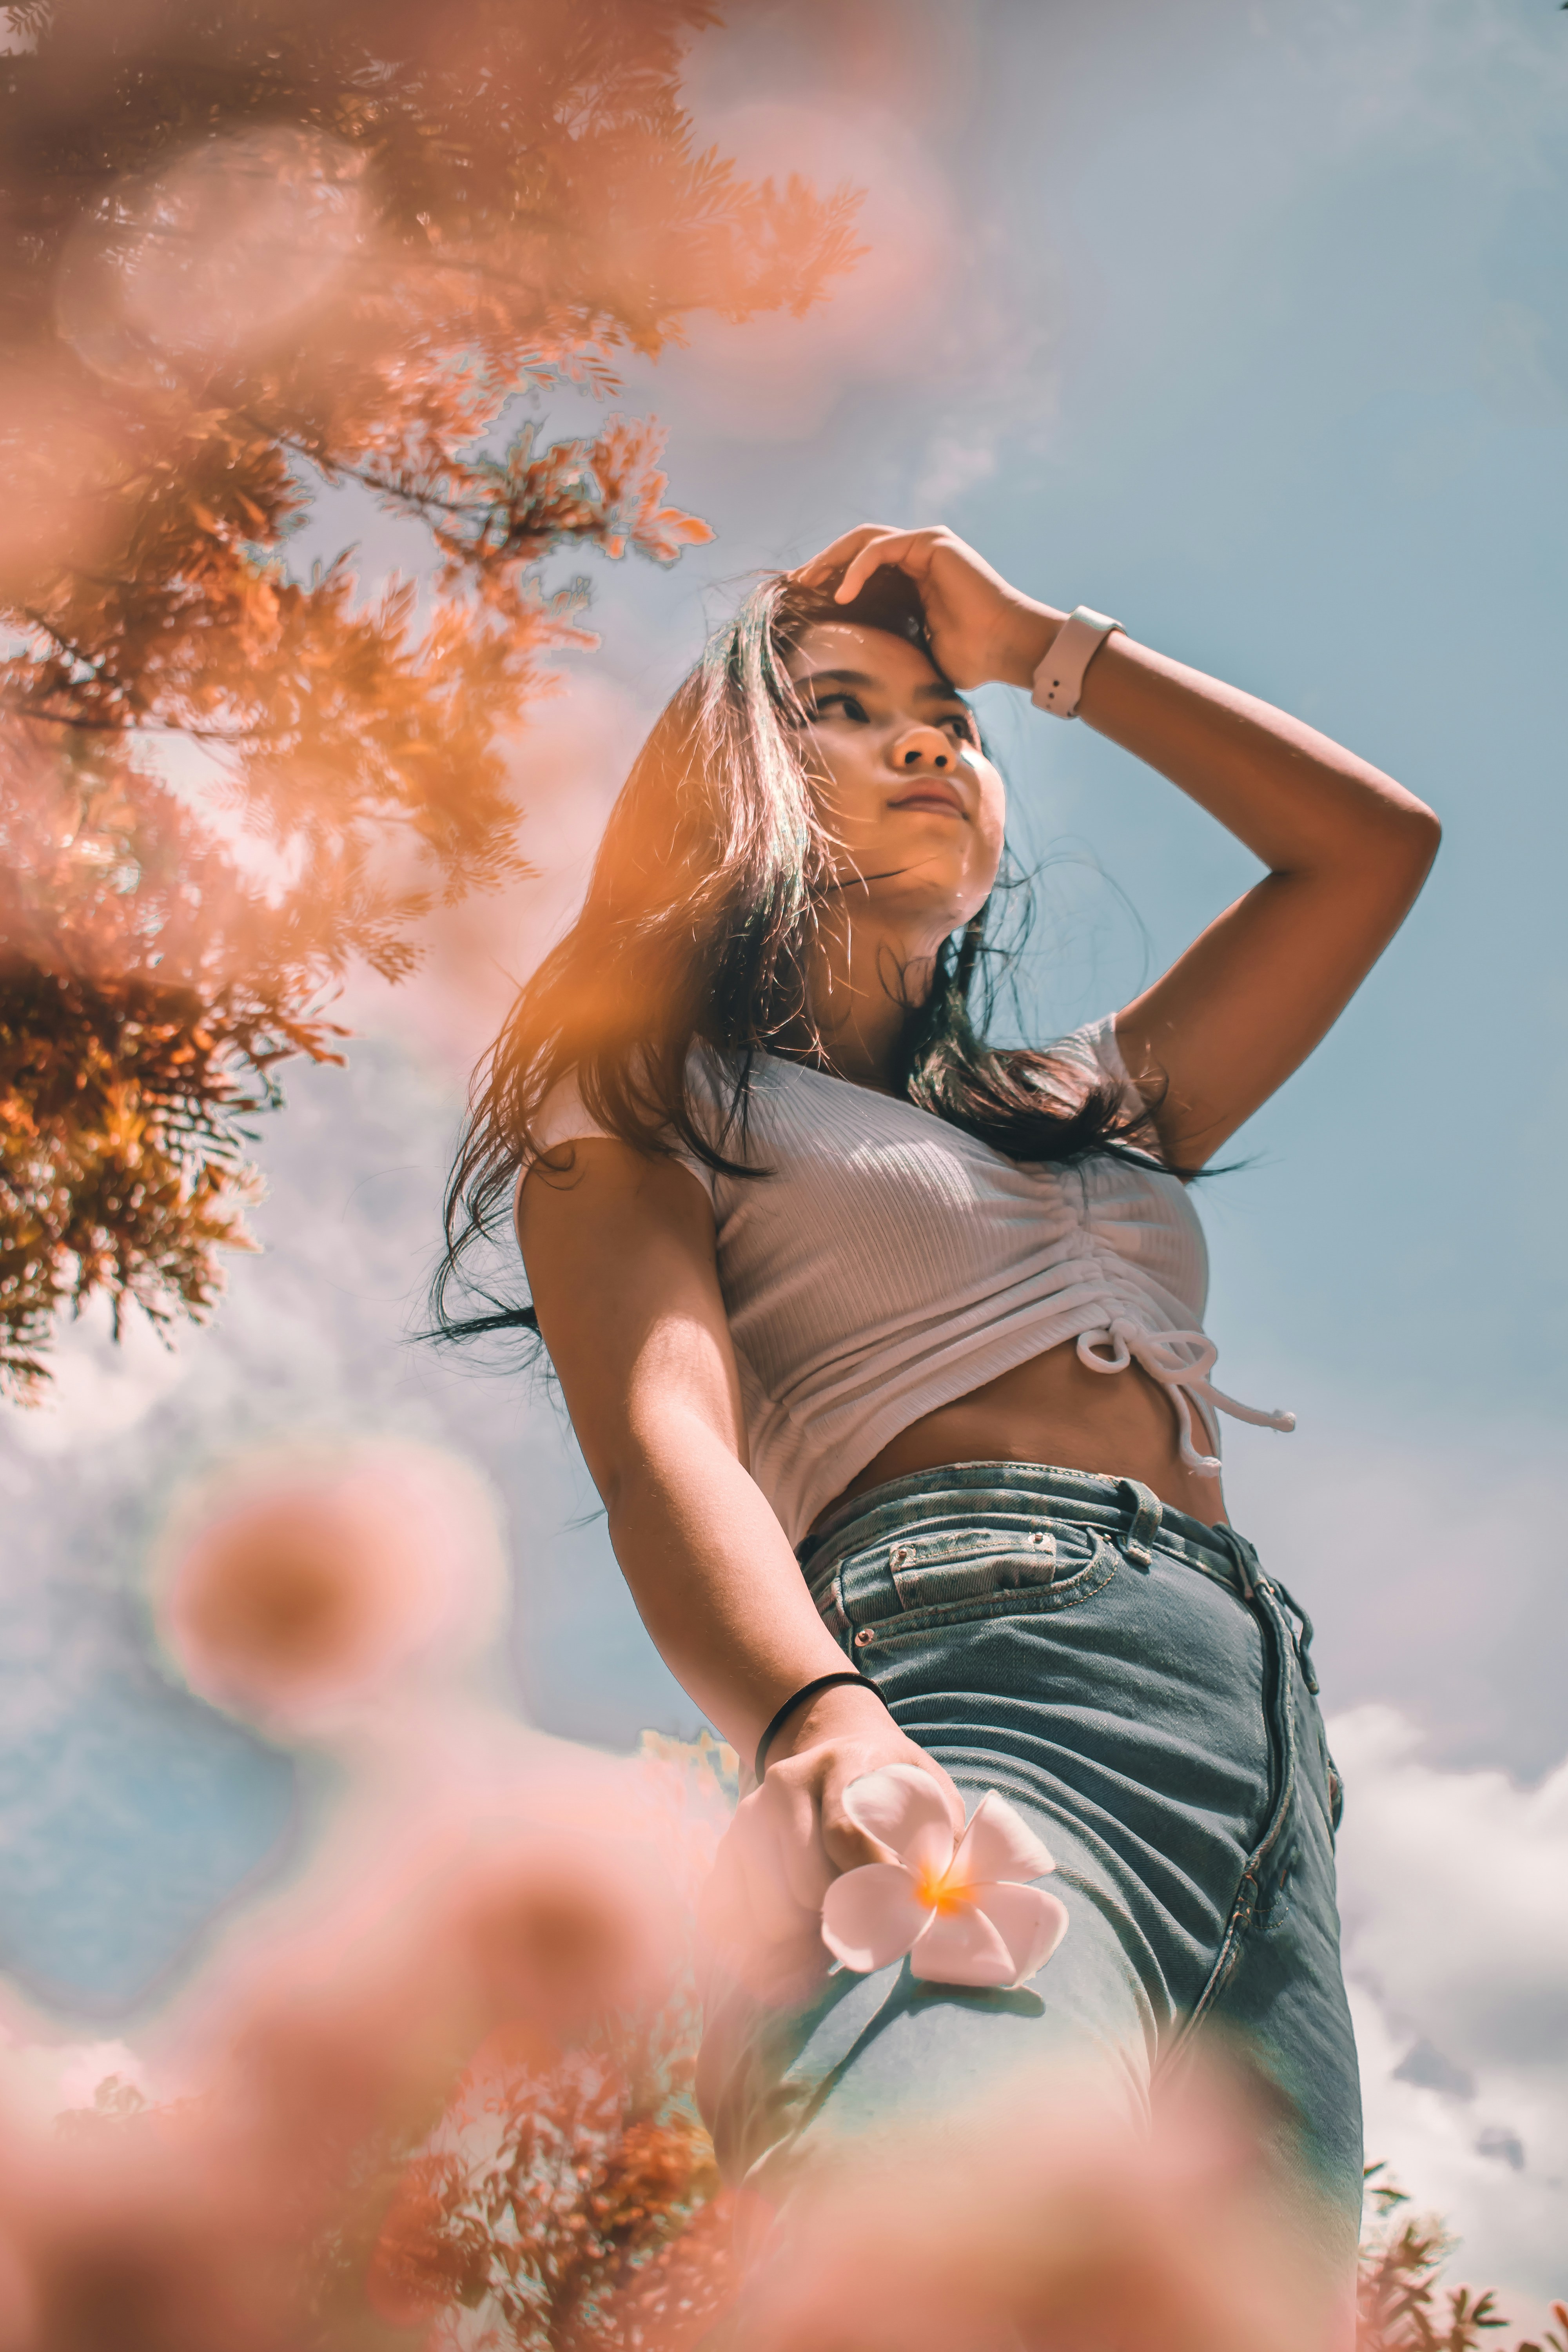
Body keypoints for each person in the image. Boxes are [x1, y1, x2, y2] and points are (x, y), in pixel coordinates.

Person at [437, 523, 1440, 2285]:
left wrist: (1050, 646)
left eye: (950, 720)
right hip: (971, 1682)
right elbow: (661, 1433)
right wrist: (816, 1724)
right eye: (846, 709)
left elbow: (1366, 849)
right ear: (733, 784)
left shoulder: (1089, 1098)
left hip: (1267, 1769)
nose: (927, 743)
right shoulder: (658, 1087)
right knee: (934, 2259)